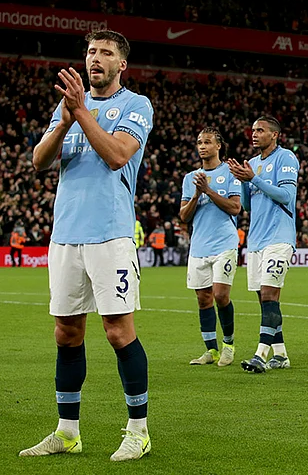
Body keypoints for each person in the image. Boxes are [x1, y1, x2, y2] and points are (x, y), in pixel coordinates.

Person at [21, 30, 153, 460]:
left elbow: (117, 156)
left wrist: (82, 113)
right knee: (66, 332)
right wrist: (65, 118)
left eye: (106, 53)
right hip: (65, 236)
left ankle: (138, 431)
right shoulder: (68, 109)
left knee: (118, 332)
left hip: (111, 235)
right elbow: (39, 162)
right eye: (92, 51)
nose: (96, 58)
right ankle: (67, 432)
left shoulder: (135, 105)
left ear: (121, 65)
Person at [228, 115, 299, 373]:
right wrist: (243, 180)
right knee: (265, 299)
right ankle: (280, 355)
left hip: (279, 237)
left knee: (270, 294)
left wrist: (253, 179)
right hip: (256, 239)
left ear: (274, 135)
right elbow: (247, 205)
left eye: (260, 130)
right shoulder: (253, 163)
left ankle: (260, 354)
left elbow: (286, 195)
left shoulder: (286, 158)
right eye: (253, 130)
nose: (254, 134)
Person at [179, 127, 242, 367]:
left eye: (207, 142)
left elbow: (235, 208)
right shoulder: (190, 178)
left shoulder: (230, 172)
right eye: (199, 142)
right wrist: (196, 194)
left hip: (224, 243)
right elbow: (184, 216)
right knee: (203, 299)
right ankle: (211, 351)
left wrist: (208, 190)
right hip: (198, 247)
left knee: (220, 295)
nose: (202, 146)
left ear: (218, 146)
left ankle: (228, 345)